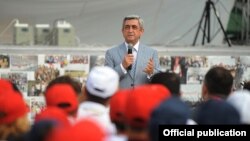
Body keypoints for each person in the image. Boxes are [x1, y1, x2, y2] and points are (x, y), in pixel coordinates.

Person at [105, 15, 161, 88]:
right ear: (122, 31)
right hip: (121, 98)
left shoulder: (152, 53)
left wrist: (151, 73)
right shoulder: (111, 53)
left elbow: (160, 79)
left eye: (134, 27)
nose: (130, 30)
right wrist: (122, 66)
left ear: (141, 31)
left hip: (142, 97)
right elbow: (106, 79)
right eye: (127, 27)